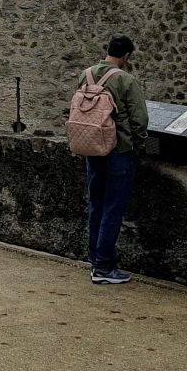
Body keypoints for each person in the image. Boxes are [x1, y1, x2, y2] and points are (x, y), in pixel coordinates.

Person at [76, 34, 148, 284]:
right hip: (118, 149)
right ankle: (105, 267)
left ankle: (95, 259)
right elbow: (140, 119)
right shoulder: (125, 80)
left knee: (96, 203)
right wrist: (137, 144)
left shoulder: (85, 75)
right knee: (113, 207)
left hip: (92, 147)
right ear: (126, 56)